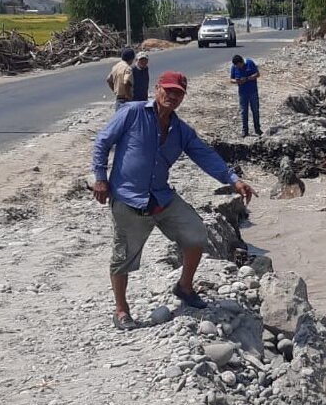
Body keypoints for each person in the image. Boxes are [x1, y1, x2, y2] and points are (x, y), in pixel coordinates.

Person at [92, 70, 258, 331]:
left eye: (178, 93)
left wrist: (233, 179)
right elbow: (102, 141)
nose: (172, 96)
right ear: (157, 89)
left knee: (196, 234)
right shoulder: (133, 113)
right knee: (122, 256)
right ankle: (121, 310)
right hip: (128, 197)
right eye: (168, 90)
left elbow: (205, 155)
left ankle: (185, 287)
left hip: (161, 196)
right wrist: (100, 178)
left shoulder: (181, 130)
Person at [230, 54, 262, 137]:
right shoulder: (234, 67)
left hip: (252, 91)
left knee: (255, 110)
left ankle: (257, 129)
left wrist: (247, 78)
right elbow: (231, 79)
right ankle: (245, 131)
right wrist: (237, 81)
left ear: (241, 62)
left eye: (239, 65)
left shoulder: (249, 63)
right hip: (242, 93)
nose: (238, 67)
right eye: (236, 66)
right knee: (244, 112)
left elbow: (257, 74)